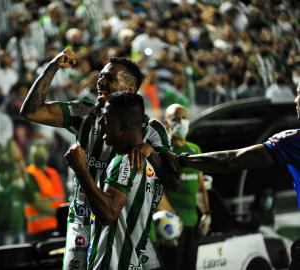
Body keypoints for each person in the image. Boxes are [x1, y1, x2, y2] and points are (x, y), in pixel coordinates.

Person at [20, 49, 176, 269]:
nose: (100, 80)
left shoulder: (151, 130)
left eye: (109, 77)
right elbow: (31, 112)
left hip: (127, 224)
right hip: (83, 220)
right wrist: (52, 66)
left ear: (129, 89)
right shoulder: (83, 113)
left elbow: (172, 178)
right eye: (100, 75)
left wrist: (153, 152)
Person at [174, 82, 300, 270]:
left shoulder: (292, 142)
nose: (296, 100)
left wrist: (181, 161)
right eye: (296, 93)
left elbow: (231, 160)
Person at [65, 92, 165, 269]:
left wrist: (81, 169)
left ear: (124, 126)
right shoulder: (150, 163)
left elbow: (108, 213)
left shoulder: (125, 161)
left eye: (106, 119)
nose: (101, 124)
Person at [159, 104, 211, 270]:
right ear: (166, 123)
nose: (181, 122)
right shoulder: (163, 151)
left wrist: (207, 214)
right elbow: (157, 191)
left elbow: (201, 186)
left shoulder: (194, 149)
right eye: (175, 119)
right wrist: (168, 221)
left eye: (183, 118)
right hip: (171, 227)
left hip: (193, 224)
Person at [24, 141, 66, 240]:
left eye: (42, 152)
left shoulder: (53, 173)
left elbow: (61, 198)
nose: (39, 155)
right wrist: (60, 214)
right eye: (36, 153)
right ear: (30, 157)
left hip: (59, 226)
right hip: (40, 230)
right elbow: (37, 203)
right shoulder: (29, 174)